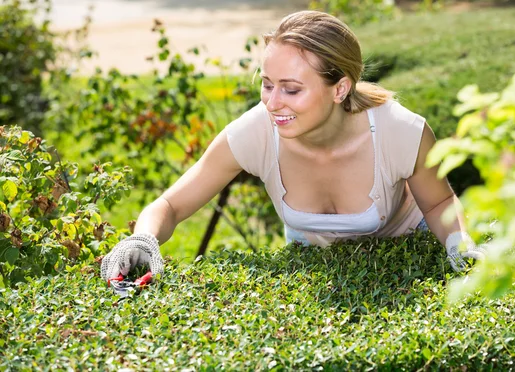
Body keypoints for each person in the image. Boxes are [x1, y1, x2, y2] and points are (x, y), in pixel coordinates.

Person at [100, 10, 485, 282]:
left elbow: (437, 202)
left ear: (340, 88)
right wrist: (144, 238)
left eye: (292, 89)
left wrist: (459, 245)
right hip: (313, 265)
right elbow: (170, 204)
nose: (271, 102)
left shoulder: (400, 130)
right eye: (268, 83)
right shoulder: (256, 131)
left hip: (408, 252)